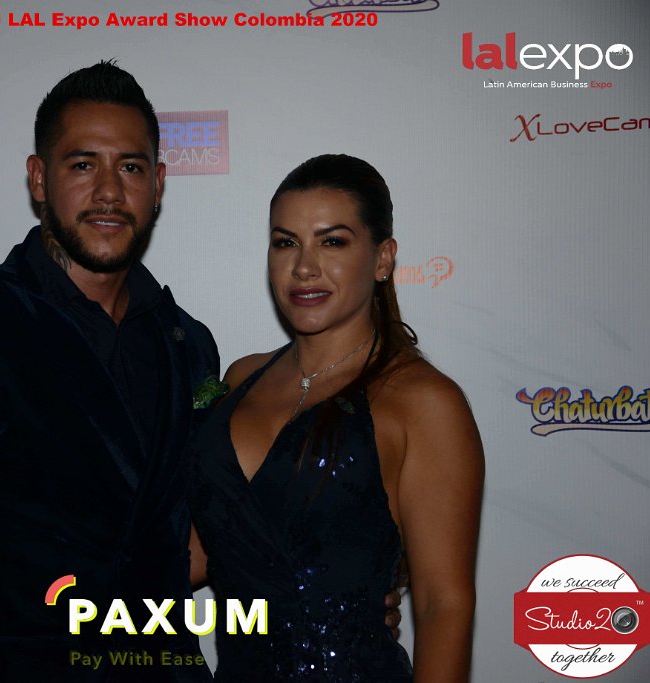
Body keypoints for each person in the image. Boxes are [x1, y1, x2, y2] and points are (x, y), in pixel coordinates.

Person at [0, 62, 219, 682]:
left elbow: (194, 535)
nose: (109, 191)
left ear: (158, 184)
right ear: (38, 178)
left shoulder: (190, 344)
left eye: (131, 167)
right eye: (83, 165)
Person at [187, 155, 484, 681]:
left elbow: (444, 605)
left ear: (383, 258)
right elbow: (198, 551)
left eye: (332, 242)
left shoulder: (423, 403)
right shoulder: (240, 378)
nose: (304, 267)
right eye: (286, 242)